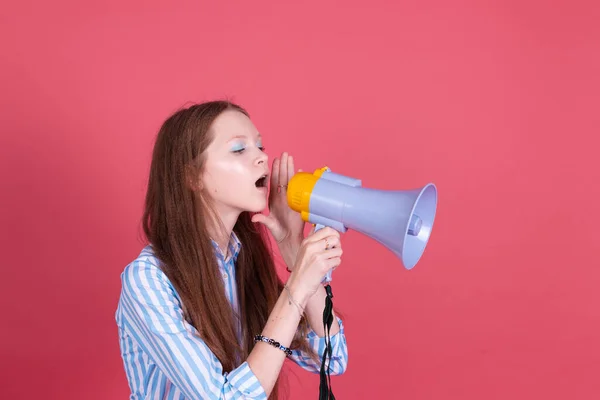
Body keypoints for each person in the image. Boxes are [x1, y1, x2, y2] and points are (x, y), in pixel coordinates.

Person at [115, 100, 348, 400]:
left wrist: (293, 251)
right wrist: (297, 285)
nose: (262, 158)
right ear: (192, 177)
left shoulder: (241, 265)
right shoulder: (148, 280)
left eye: (260, 146)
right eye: (239, 150)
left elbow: (332, 357)